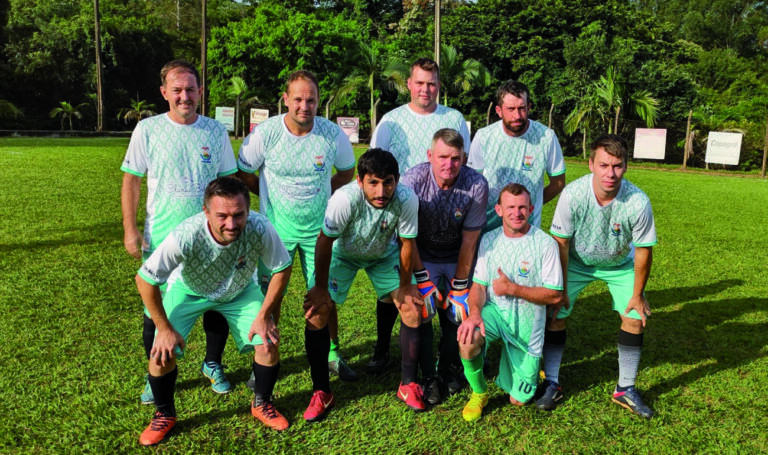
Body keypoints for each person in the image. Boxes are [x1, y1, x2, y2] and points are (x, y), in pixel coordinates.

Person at [136, 177, 293, 446]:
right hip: (189, 290)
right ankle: (164, 414)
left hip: (240, 291)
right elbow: (145, 280)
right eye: (222, 215)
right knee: (161, 352)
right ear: (206, 211)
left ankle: (262, 403)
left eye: (238, 215)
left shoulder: (260, 226)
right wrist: (163, 329)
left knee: (267, 343)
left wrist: (264, 314)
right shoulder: (186, 234)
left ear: (248, 210)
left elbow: (281, 268)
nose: (231, 224)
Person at [121, 60, 236, 405]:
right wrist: (130, 228)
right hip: (161, 236)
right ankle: (153, 371)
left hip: (211, 237)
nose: (184, 96)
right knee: (153, 308)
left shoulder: (215, 131)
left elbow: (227, 183)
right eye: (177, 90)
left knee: (217, 299)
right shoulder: (148, 129)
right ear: (164, 93)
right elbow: (131, 179)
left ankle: (212, 362)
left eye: (190, 89)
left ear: (200, 92)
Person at [236, 70, 357, 381]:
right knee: (270, 298)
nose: (305, 105)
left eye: (311, 100)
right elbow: (245, 173)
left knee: (324, 294)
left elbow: (345, 173)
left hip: (320, 232)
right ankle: (266, 361)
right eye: (299, 99)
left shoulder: (332, 134)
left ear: (318, 102)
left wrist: (323, 193)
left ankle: (331, 354)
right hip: (276, 230)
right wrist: (266, 195)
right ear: (285, 100)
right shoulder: (266, 134)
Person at [539, 134, 657, 419]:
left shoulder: (638, 201)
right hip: (577, 262)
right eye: (604, 165)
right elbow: (561, 244)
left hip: (619, 265)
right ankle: (552, 381)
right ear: (591, 164)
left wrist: (638, 295)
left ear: (626, 167)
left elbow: (643, 251)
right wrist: (560, 288)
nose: (610, 173)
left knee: (633, 317)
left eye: (617, 166)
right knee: (556, 313)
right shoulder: (573, 195)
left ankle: (625, 388)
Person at [368, 57, 471, 376]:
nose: (425, 89)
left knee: (441, 282)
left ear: (439, 87)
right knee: (392, 284)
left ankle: (446, 353)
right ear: (408, 85)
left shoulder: (454, 117)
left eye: (432, 83)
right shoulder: (390, 121)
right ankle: (382, 348)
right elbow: (374, 164)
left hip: (442, 217)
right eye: (420, 82)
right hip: (397, 214)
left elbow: (462, 164)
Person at [305, 148, 429, 412]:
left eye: (388, 183)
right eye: (373, 182)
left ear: (397, 180)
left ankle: (408, 385)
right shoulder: (344, 199)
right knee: (317, 311)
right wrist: (319, 287)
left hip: (383, 255)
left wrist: (406, 285)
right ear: (360, 181)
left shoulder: (406, 198)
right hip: (344, 254)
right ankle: (322, 392)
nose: (381, 191)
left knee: (412, 307)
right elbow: (325, 240)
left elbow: (408, 243)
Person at [456, 183, 563, 422]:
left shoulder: (545, 244)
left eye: (523, 207)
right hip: (496, 315)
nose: (517, 213)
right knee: (468, 336)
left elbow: (554, 294)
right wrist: (474, 313)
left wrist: (512, 289)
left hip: (527, 329)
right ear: (499, 209)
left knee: (518, 401)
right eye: (511, 207)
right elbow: (479, 285)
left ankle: (522, 363)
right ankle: (479, 392)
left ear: (532, 208)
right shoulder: (489, 239)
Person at [400, 128, 488, 405]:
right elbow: (407, 236)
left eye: (455, 158)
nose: (449, 164)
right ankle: (428, 375)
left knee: (459, 309)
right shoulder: (412, 180)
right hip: (421, 253)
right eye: (442, 157)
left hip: (455, 255)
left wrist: (461, 286)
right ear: (430, 156)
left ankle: (448, 365)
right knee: (422, 305)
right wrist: (422, 279)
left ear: (463, 158)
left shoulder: (476, 184)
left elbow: (470, 240)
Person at [467, 80, 566, 231]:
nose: (517, 115)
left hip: (527, 229)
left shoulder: (546, 137)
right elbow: (473, 184)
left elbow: (558, 182)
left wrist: (529, 205)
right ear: (499, 111)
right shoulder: (484, 137)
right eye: (511, 109)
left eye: (522, 108)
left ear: (529, 107)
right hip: (488, 229)